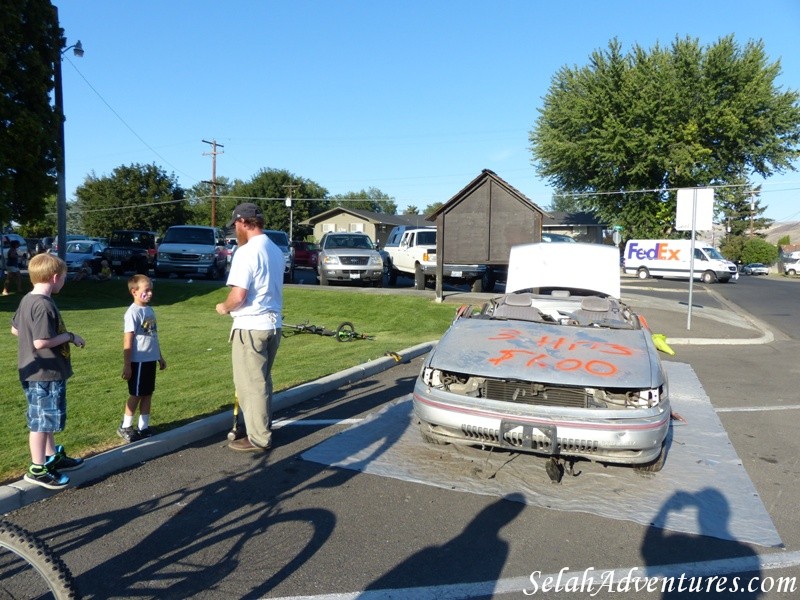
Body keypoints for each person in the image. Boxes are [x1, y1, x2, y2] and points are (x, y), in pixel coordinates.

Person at [11, 253, 85, 490]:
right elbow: (41, 342)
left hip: (38, 372)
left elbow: (15, 330)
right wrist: (70, 337)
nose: (64, 281)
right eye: (64, 277)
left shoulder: (28, 300)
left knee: (47, 418)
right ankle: (37, 468)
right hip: (45, 374)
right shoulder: (42, 305)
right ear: (54, 277)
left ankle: (52, 457)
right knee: (41, 423)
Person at [215, 202, 284, 452]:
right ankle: (259, 426)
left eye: (235, 225)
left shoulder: (246, 252)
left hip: (251, 326)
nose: (235, 230)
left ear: (244, 222)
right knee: (262, 382)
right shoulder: (274, 249)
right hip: (273, 325)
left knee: (250, 385)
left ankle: (259, 437)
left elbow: (239, 296)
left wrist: (224, 307)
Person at [118, 274, 166, 443]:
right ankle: (126, 425)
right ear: (134, 291)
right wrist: (127, 365)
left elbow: (153, 336)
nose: (150, 293)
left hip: (150, 359)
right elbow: (128, 340)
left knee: (147, 393)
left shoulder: (149, 310)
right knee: (136, 394)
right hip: (138, 360)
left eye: (151, 290)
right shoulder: (132, 313)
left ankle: (143, 427)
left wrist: (159, 356)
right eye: (146, 290)